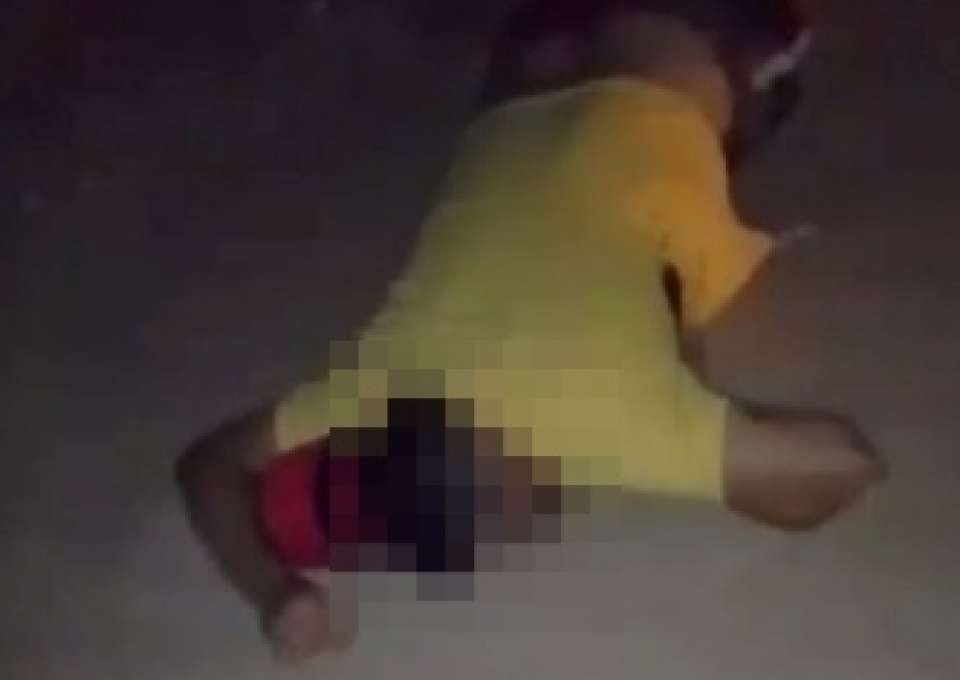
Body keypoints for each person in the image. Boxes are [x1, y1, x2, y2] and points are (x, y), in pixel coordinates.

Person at [177, 0, 886, 665]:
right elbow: (207, 465)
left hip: (680, 47)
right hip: (529, 58)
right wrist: (275, 593)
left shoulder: (619, 427)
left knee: (762, 87)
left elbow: (847, 463)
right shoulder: (379, 381)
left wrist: (713, 438)